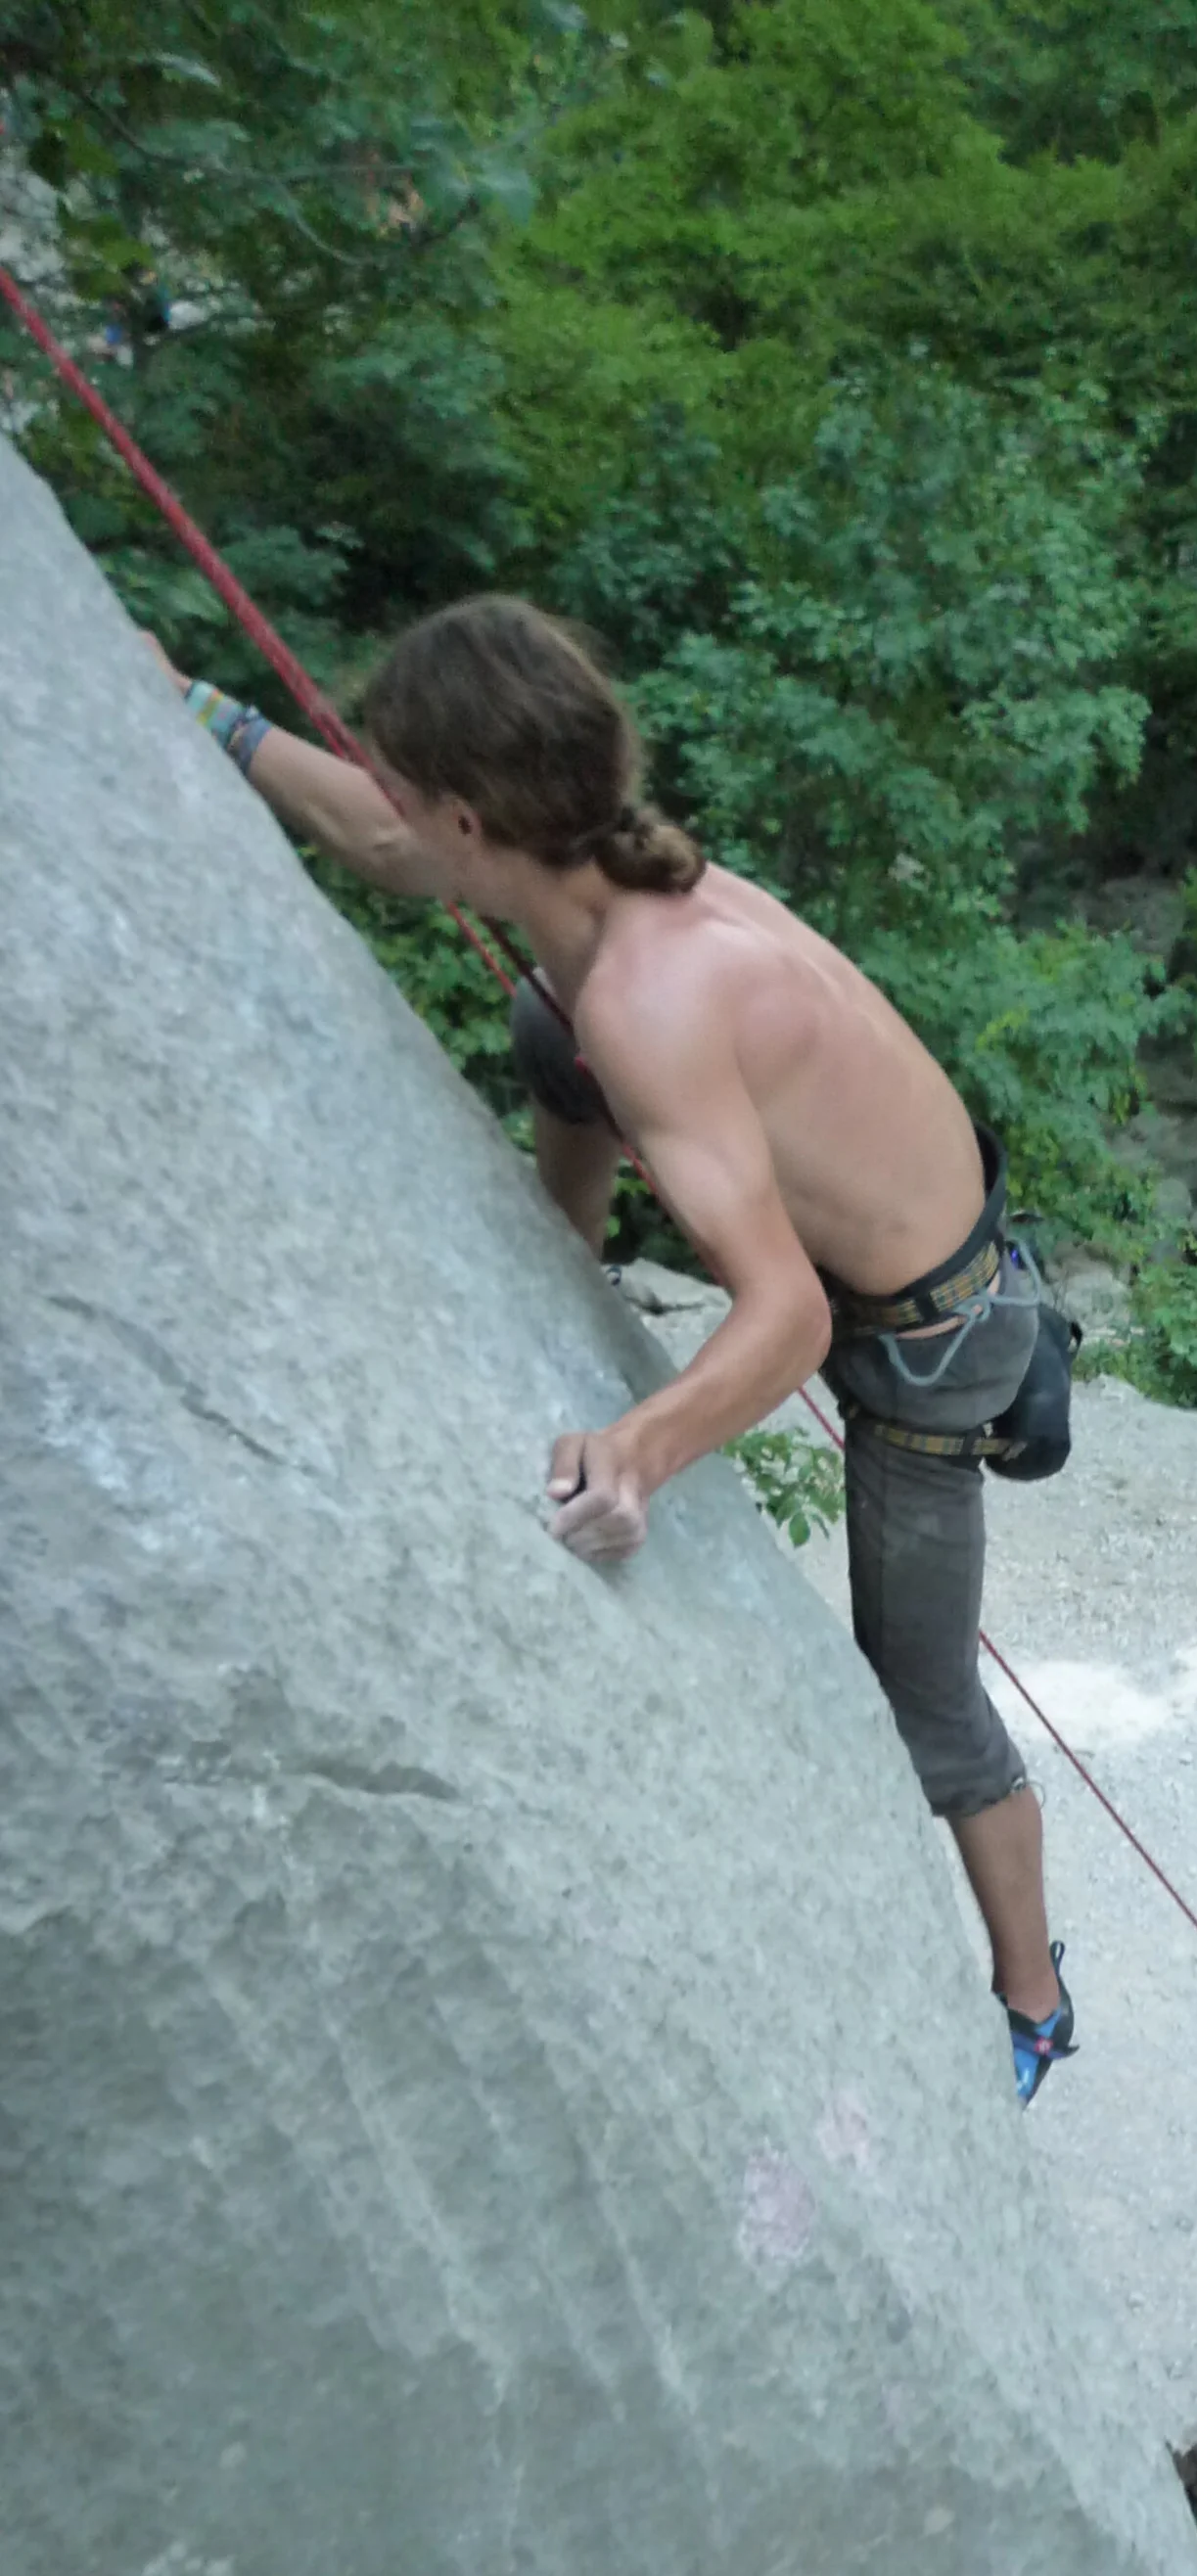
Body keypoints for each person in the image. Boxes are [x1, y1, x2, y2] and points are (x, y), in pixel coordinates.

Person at [153, 600, 1076, 2100]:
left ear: (473, 815)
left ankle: (1034, 2001)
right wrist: (198, 706)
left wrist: (637, 1449)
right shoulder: (598, 888)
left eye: (404, 783)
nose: (391, 806)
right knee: (545, 1024)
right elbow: (388, 842)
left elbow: (789, 1316)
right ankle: (562, 1259)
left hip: (934, 1341)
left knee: (926, 1704)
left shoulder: (650, 995)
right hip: (906, 1260)